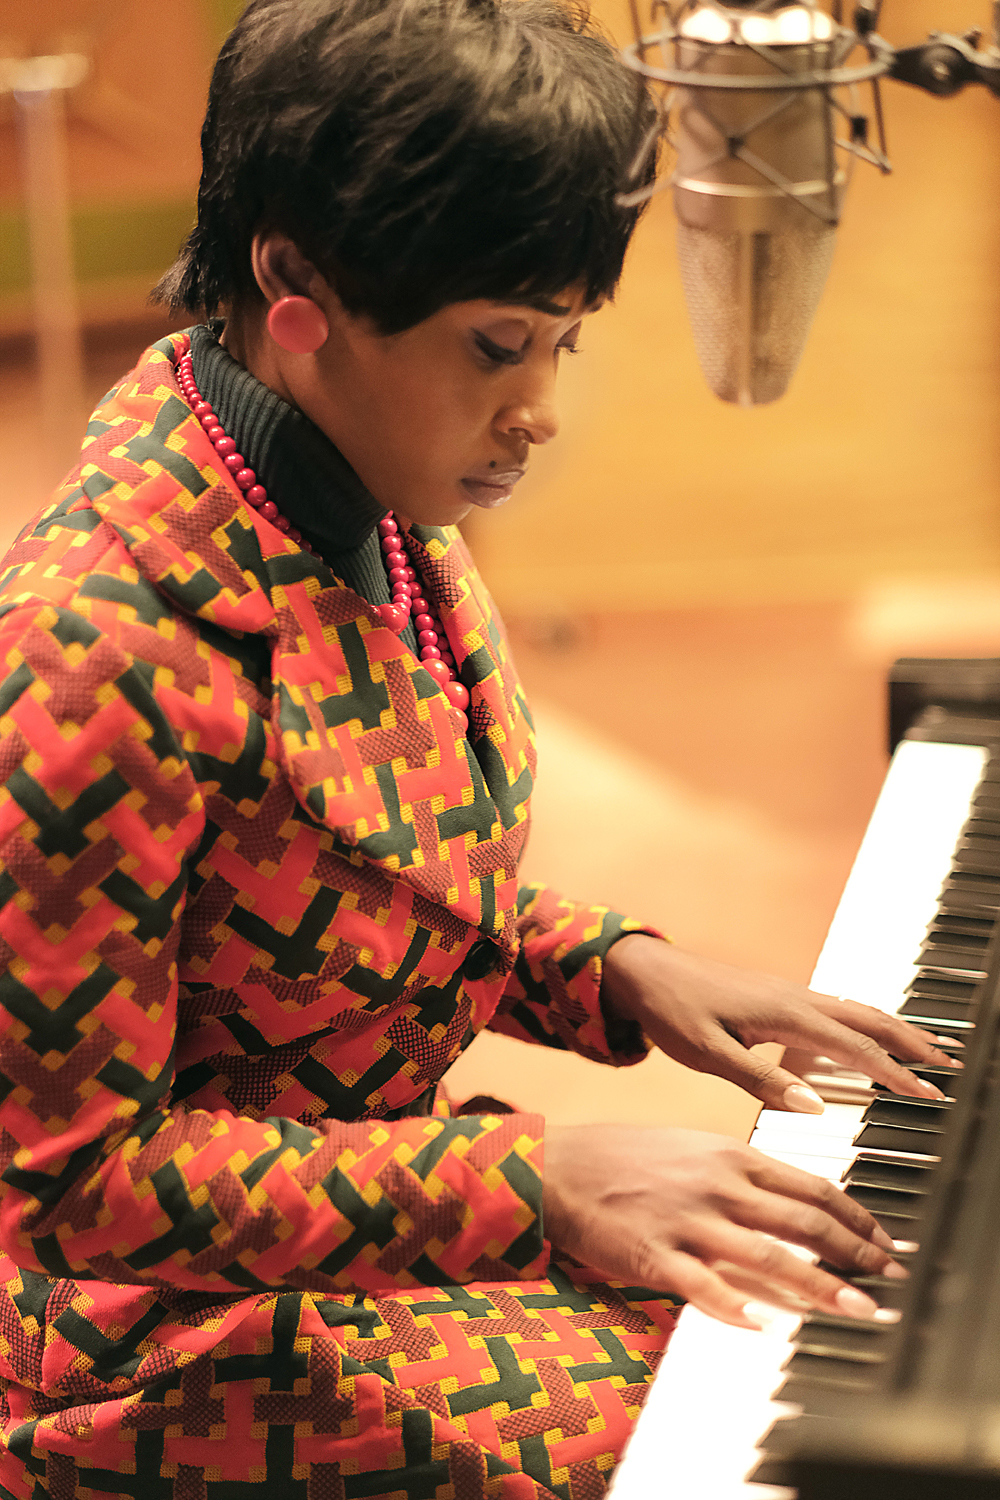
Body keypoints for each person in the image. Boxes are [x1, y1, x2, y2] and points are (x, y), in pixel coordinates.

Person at [0, 2, 957, 1496]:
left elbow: (324, 909)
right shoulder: (86, 656)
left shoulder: (352, 471)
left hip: (354, 1230)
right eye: (501, 348)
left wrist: (612, 966)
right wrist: (534, 1175)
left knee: (821, 1309)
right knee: (774, 1421)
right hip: (153, 1350)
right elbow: (69, 1185)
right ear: (294, 290)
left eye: (563, 342)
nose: (543, 414)